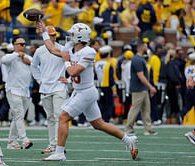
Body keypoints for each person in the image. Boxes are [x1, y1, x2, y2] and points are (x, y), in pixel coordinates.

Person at [37, 21, 138, 161]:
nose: (70, 36)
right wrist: (44, 33)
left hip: (85, 92)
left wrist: (66, 61)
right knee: (98, 124)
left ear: (79, 37)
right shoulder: (71, 48)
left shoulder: (89, 52)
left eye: (72, 34)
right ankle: (128, 140)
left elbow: (73, 72)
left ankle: (59, 152)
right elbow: (52, 49)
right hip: (81, 91)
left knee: (63, 117)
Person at [31, 25, 68, 154]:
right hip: (45, 87)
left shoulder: (62, 49)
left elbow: (72, 65)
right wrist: (38, 79)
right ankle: (53, 144)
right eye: (51, 35)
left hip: (59, 87)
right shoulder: (40, 51)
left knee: (59, 116)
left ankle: (60, 145)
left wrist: (68, 80)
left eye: (54, 35)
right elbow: (33, 66)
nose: (53, 37)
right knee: (50, 118)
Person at [1, 36, 33, 150]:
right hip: (13, 90)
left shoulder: (28, 57)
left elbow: (37, 67)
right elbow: (3, 60)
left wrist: (29, 63)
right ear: (15, 45)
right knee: (19, 115)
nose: (24, 46)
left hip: (25, 91)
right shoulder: (11, 57)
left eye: (24, 44)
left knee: (17, 117)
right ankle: (24, 140)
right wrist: (17, 54)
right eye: (21, 44)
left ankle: (11, 143)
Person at [124, 42, 158, 136]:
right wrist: (150, 87)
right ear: (142, 48)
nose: (147, 48)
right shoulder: (138, 59)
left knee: (146, 109)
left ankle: (148, 129)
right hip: (138, 88)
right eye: (146, 47)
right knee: (135, 108)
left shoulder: (139, 59)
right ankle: (128, 128)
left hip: (142, 88)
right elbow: (141, 76)